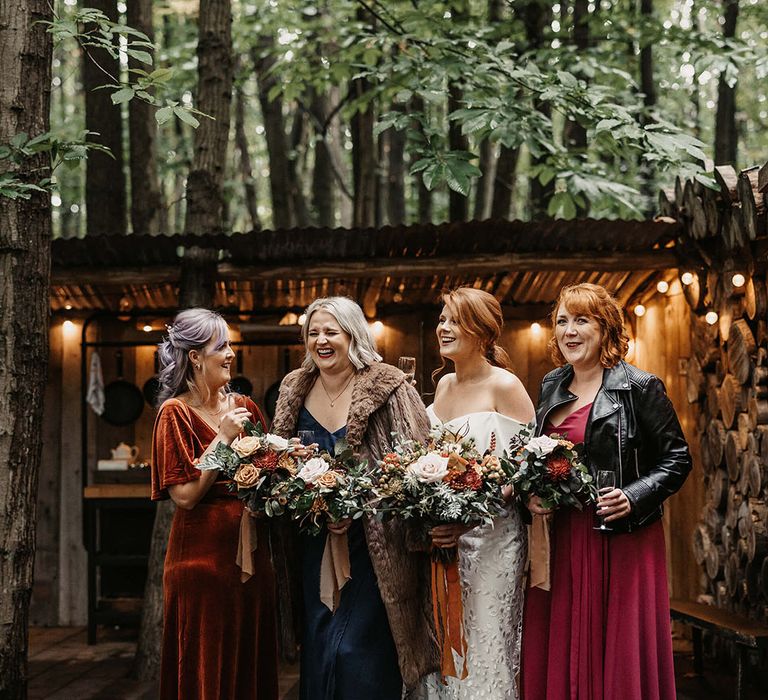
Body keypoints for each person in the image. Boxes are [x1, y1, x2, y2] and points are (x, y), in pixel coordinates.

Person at [520, 283, 691, 700]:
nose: (570, 331)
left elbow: (678, 459)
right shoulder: (551, 385)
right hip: (562, 537)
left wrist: (633, 496)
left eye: (582, 320)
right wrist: (533, 490)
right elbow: (540, 457)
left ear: (606, 329)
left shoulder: (639, 386)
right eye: (562, 321)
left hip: (622, 536)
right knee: (564, 639)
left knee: (618, 650)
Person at [270, 296, 438, 700]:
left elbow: (416, 459)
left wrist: (359, 504)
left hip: (375, 546)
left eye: (332, 331)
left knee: (355, 651)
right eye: (313, 333)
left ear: (353, 334)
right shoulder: (295, 386)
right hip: (312, 543)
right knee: (320, 646)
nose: (322, 340)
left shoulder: (389, 386)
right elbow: (279, 463)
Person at [150, 308, 279, 700]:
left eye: (230, 345)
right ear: (194, 357)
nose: (230, 354)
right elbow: (186, 497)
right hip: (200, 565)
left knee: (249, 663)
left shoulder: (245, 407)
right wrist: (221, 439)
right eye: (221, 346)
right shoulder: (174, 414)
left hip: (251, 558)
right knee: (205, 668)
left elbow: (269, 473)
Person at [414, 287, 535, 700]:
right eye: (442, 319)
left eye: (454, 320)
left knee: (486, 643)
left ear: (482, 332)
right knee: (445, 641)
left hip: (491, 540)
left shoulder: (506, 386)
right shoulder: (443, 385)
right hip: (444, 541)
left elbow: (524, 469)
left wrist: (470, 516)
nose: (443, 328)